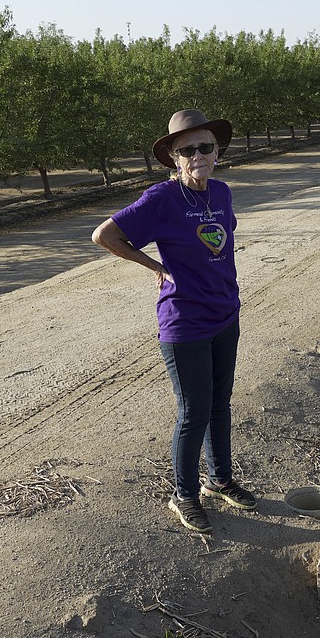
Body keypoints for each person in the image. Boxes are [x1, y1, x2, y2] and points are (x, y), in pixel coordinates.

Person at [92, 109, 256, 534]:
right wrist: (154, 266)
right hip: (184, 322)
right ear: (174, 158)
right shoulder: (161, 200)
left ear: (217, 151)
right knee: (193, 412)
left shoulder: (221, 193)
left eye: (206, 147)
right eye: (188, 150)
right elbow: (104, 235)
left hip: (225, 313)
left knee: (220, 404)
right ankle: (184, 495)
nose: (198, 155)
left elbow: (222, 243)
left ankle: (220, 480)